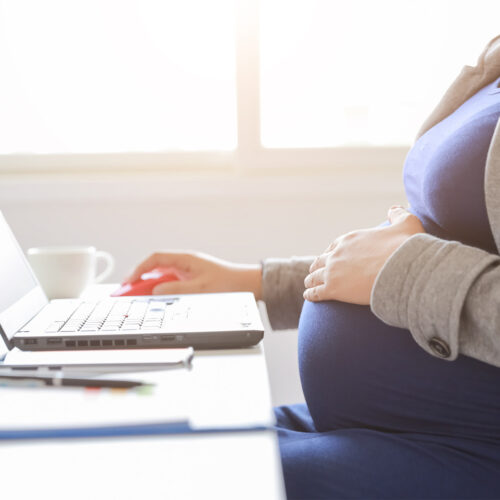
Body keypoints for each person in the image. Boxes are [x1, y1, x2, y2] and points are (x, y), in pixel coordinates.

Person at [126, 35, 500, 499]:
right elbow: (449, 244)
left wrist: (408, 269)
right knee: (144, 437)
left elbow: (411, 259)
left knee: (177, 474)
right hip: (391, 424)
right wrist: (259, 283)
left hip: (468, 446)